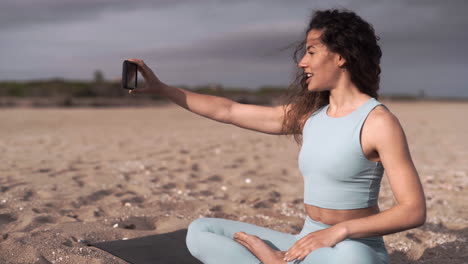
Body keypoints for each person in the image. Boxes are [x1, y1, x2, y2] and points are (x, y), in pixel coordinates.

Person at [126, 8, 426, 264]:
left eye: (311, 51)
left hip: (352, 247)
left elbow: (413, 210)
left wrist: (338, 232)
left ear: (342, 57)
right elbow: (228, 111)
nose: (302, 63)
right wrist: (164, 89)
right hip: (306, 240)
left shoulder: (377, 121)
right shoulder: (310, 116)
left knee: (352, 260)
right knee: (201, 230)